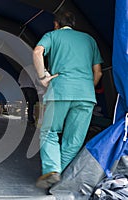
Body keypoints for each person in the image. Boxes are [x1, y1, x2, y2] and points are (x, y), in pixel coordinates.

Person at [33, 11, 103, 189]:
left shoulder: (52, 35)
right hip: (86, 96)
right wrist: (86, 88)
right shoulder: (89, 40)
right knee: (73, 141)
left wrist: (43, 77)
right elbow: (98, 72)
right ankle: (59, 177)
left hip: (60, 91)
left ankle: (53, 169)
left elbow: (37, 52)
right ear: (74, 24)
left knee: (49, 132)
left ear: (56, 24)